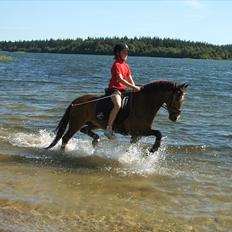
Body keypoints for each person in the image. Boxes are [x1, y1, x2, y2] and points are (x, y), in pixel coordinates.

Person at [104, 43, 141, 139]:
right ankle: (109, 128)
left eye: (127, 52)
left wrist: (134, 87)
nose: (126, 54)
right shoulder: (116, 65)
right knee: (118, 105)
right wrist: (133, 87)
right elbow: (120, 80)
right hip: (114, 89)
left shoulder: (126, 66)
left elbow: (129, 78)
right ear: (118, 53)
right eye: (124, 52)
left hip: (123, 90)